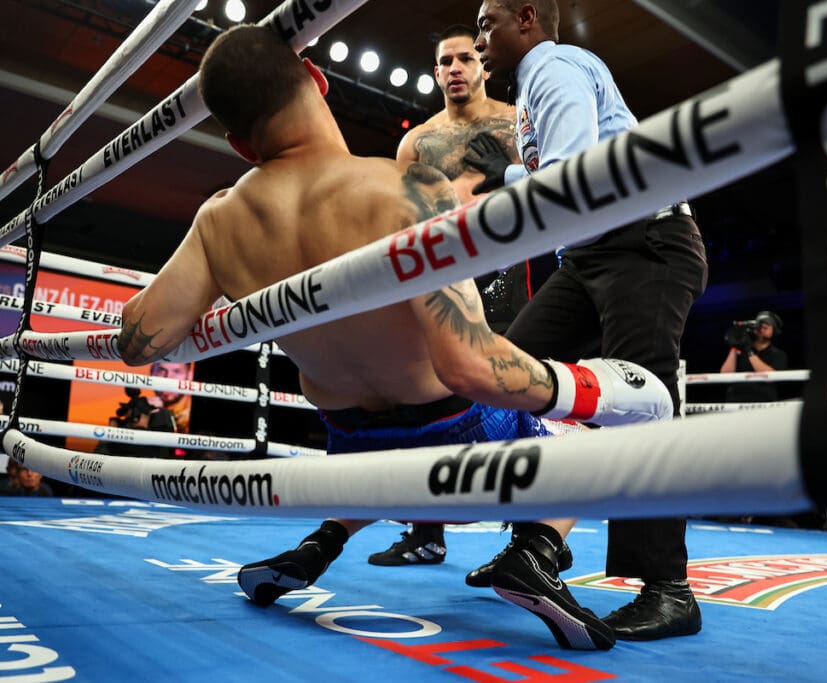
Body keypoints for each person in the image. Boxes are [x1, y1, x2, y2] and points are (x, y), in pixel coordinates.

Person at [117, 24, 674, 651]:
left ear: (241, 145)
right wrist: (592, 387)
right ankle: (537, 551)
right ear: (318, 79)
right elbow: (470, 367)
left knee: (388, 444)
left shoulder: (217, 222)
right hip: (456, 430)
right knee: (599, 426)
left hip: (351, 449)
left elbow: (143, 339)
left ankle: (318, 543)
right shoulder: (406, 190)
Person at [467, 0, 708, 641]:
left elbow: (569, 180)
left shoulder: (555, 65)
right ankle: (536, 550)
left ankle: (671, 591)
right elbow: (558, 171)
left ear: (527, 18)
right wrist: (512, 173)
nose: (480, 36)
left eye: (488, 23)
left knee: (645, 401)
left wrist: (503, 197)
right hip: (590, 254)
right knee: (504, 370)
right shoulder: (532, 94)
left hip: (644, 240)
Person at [367, 23, 556, 568]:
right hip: (440, 277)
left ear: (481, 65)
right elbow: (398, 216)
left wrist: (501, 184)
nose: (454, 68)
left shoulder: (513, 122)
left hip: (507, 268)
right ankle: (426, 532)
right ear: (435, 72)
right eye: (444, 60)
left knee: (517, 387)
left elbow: (550, 179)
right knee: (429, 393)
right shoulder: (417, 141)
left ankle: (529, 543)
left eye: (464, 58)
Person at [719, 311, 788, 403]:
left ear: (774, 331)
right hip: (736, 403)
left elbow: (771, 378)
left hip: (762, 404)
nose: (761, 330)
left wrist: (749, 351)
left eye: (766, 327)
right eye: (760, 326)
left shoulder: (778, 355)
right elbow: (725, 376)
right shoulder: (741, 350)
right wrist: (734, 347)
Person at [148, 361, 193, 433]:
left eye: (177, 371)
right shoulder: (146, 410)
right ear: (152, 373)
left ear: (189, 376)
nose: (168, 377)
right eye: (161, 370)